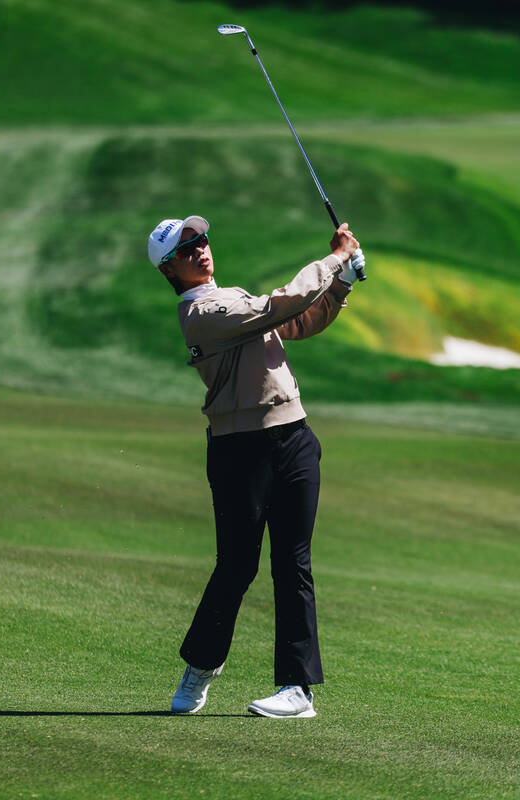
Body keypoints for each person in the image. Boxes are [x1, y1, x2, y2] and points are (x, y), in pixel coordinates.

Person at [146, 214, 363, 718]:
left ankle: (297, 688)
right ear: (169, 271)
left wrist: (342, 285)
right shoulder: (202, 313)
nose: (200, 250)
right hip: (239, 449)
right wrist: (334, 260)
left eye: (201, 241)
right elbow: (282, 304)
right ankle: (201, 666)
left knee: (294, 563)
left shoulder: (234, 299)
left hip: (294, 438)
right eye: (186, 250)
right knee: (236, 567)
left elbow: (299, 321)